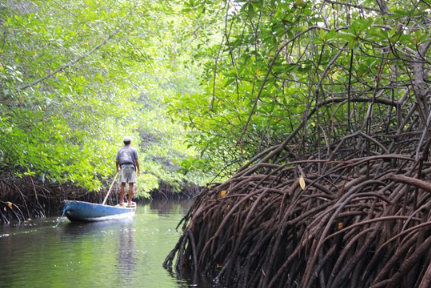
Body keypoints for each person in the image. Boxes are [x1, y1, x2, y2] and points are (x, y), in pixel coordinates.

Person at [116, 136, 140, 206]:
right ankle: (129, 202)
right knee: (131, 185)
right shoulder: (133, 150)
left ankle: (121, 202)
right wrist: (138, 170)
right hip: (131, 167)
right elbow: (136, 161)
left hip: (123, 167)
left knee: (122, 185)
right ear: (130, 142)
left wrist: (117, 168)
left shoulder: (120, 150)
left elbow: (117, 161)